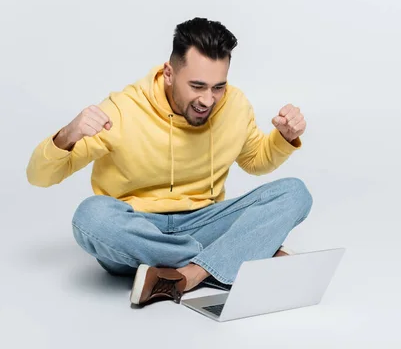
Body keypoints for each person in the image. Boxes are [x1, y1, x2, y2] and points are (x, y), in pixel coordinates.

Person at [26, 17, 311, 307]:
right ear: (169, 73)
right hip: (137, 230)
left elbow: (255, 161)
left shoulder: (235, 105)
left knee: (295, 193)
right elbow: (39, 177)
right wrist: (68, 134)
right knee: (91, 217)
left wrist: (283, 138)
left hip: (204, 220)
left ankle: (189, 275)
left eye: (218, 87)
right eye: (197, 86)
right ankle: (233, 256)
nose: (208, 100)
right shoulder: (123, 111)